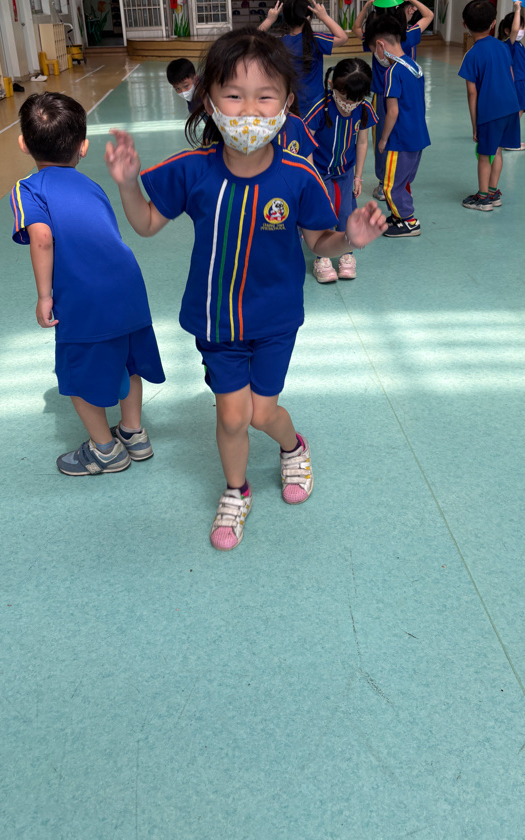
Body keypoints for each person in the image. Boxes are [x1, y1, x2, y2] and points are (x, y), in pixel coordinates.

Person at [103, 28, 386, 551]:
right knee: (233, 416)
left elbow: (320, 242)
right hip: (216, 322)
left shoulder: (299, 176)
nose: (250, 111)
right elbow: (145, 223)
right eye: (234, 95)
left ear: (287, 102)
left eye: (265, 96)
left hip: (275, 320)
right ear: (208, 99)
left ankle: (292, 446)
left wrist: (351, 239)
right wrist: (126, 183)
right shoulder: (192, 170)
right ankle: (236, 491)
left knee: (261, 413)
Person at [9, 92, 165, 475]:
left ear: (24, 144)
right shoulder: (91, 185)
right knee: (128, 361)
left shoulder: (28, 189)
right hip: (128, 286)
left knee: (77, 377)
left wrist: (44, 296)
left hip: (84, 298)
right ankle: (134, 434)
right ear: (83, 147)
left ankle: (105, 451)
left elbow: (42, 238)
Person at [353, 0, 433, 199]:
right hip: (406, 95)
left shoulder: (376, 37)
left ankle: (384, 183)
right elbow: (429, 15)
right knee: (401, 138)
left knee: (382, 140)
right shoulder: (406, 35)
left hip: (382, 96)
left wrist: (367, 4)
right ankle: (402, 182)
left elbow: (355, 28)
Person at [304, 58, 377, 282]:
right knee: (324, 210)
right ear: (332, 86)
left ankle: (347, 253)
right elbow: (307, 143)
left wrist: (358, 177)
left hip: (345, 170)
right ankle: (322, 258)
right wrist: (312, 178)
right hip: (319, 170)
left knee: (346, 210)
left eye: (356, 100)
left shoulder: (363, 109)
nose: (349, 105)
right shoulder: (320, 107)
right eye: (345, 99)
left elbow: (362, 142)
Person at [365, 16, 429, 238]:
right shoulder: (414, 66)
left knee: (390, 185)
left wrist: (383, 139)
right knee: (403, 180)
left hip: (400, 138)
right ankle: (398, 215)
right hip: (417, 135)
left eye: (374, 50)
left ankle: (408, 221)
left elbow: (392, 112)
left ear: (380, 44)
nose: (376, 55)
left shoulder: (392, 73)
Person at [458, 0, 520, 212]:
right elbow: (511, 76)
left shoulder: (472, 55)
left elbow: (472, 93)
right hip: (510, 108)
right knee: (498, 150)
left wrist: (475, 124)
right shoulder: (503, 47)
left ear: (465, 24)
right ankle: (494, 192)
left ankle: (483, 198)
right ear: (493, 23)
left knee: (484, 155)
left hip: (490, 112)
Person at [258, 0, 347, 115]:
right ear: (308, 18)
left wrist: (269, 20)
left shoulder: (279, 42)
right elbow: (343, 38)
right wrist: (324, 17)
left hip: (289, 104)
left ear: (285, 18)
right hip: (317, 105)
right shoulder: (316, 39)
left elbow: (253, 41)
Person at [497, 0, 525, 152]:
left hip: (521, 81)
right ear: (507, 31)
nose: (521, 30)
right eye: (519, 27)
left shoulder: (518, 44)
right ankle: (509, 140)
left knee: (519, 109)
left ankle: (506, 136)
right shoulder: (508, 44)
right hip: (515, 82)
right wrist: (517, 10)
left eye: (522, 27)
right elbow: (515, 31)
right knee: (517, 111)